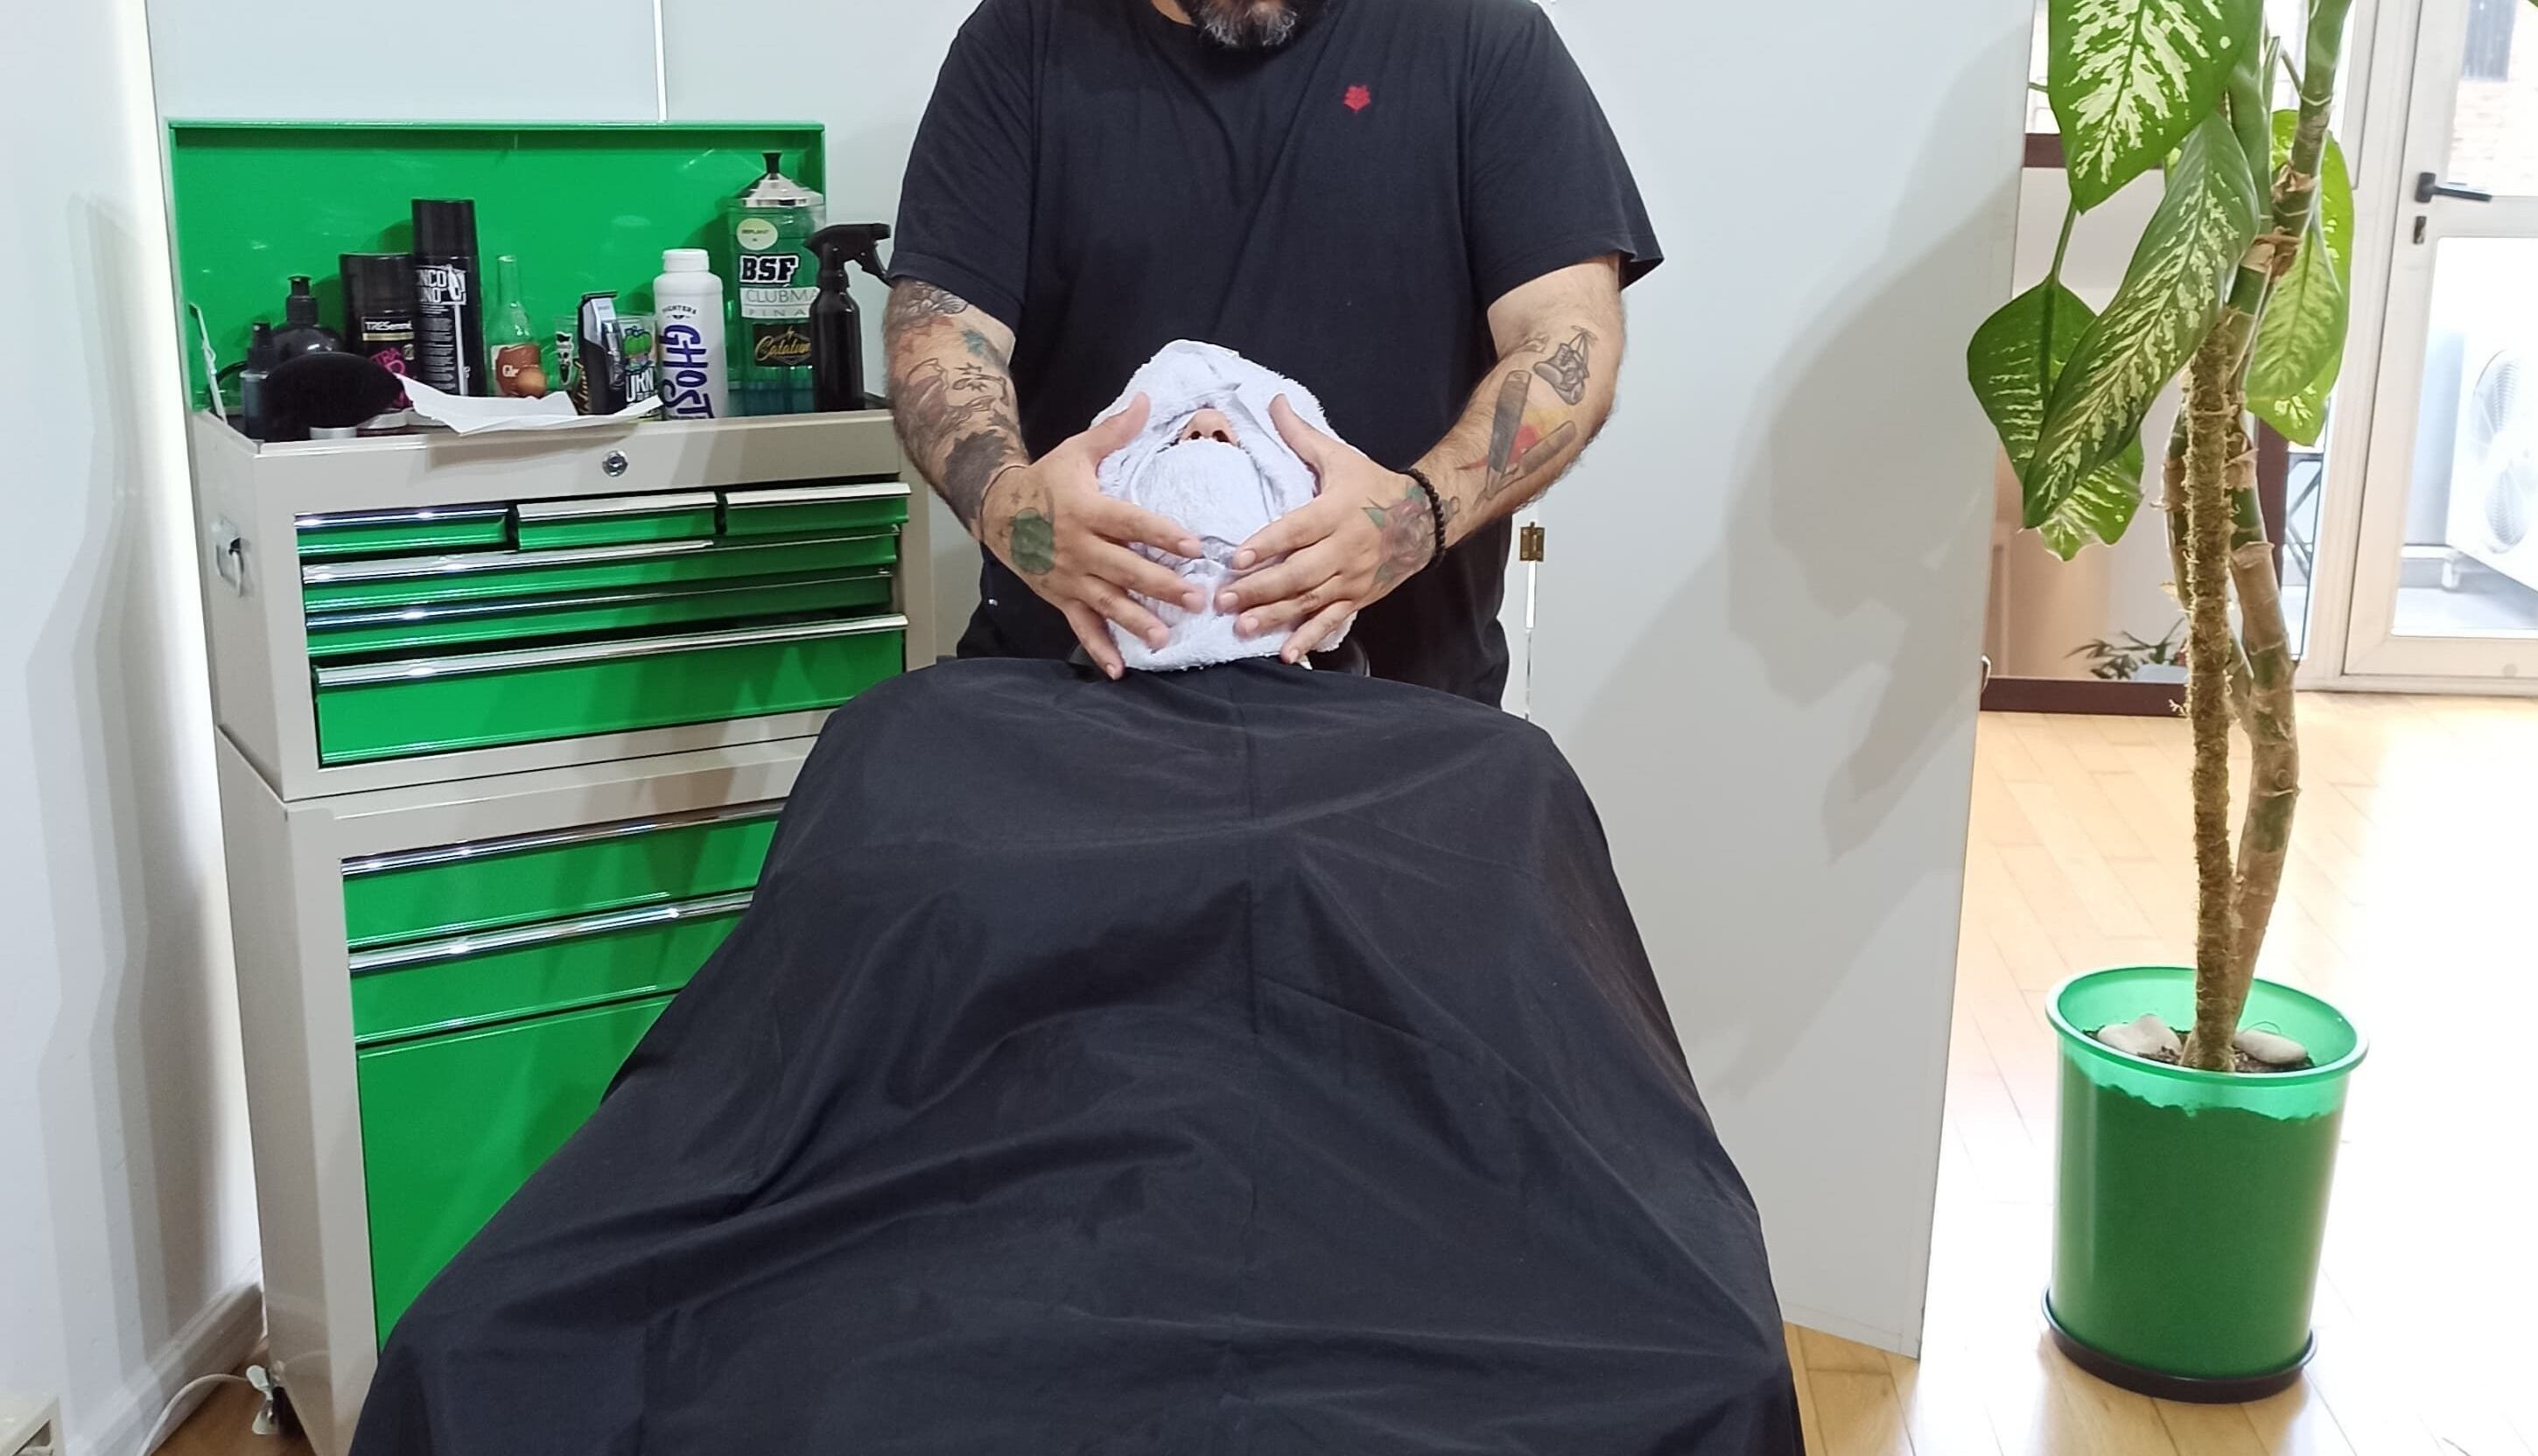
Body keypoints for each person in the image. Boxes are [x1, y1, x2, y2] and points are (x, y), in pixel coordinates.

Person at [347, 379, 1801, 1453]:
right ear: (1073, 517)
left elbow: (1571, 1098)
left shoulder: (1481, 771)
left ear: (1336, 533)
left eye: (1252, 432)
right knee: (478, 1350)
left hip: (1387, 1224)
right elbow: (769, 1058)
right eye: (1175, 426)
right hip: (940, 1227)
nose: (1210, 429)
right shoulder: (911, 737)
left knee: (1706, 1365)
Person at [886, 0, 1658, 702]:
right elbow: (940, 330)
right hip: (1067, 690)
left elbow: (1568, 335)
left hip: (1401, 702)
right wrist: (1007, 507)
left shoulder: (1479, 35)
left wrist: (1415, 516)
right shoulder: (1027, 34)